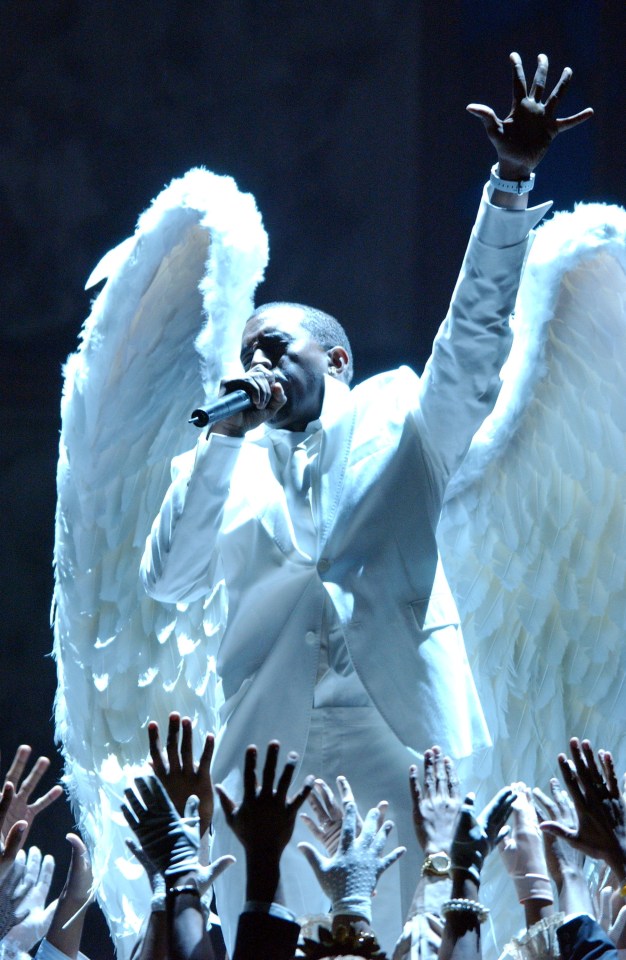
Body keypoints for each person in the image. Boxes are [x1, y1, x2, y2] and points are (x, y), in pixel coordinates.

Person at [140, 52, 592, 952]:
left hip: (406, 740)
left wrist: (510, 183)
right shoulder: (227, 462)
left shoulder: (401, 420)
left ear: (335, 361)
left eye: (276, 347)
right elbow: (169, 582)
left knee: (415, 936)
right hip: (266, 760)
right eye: (246, 352)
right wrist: (222, 439)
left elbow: (473, 341)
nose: (256, 363)